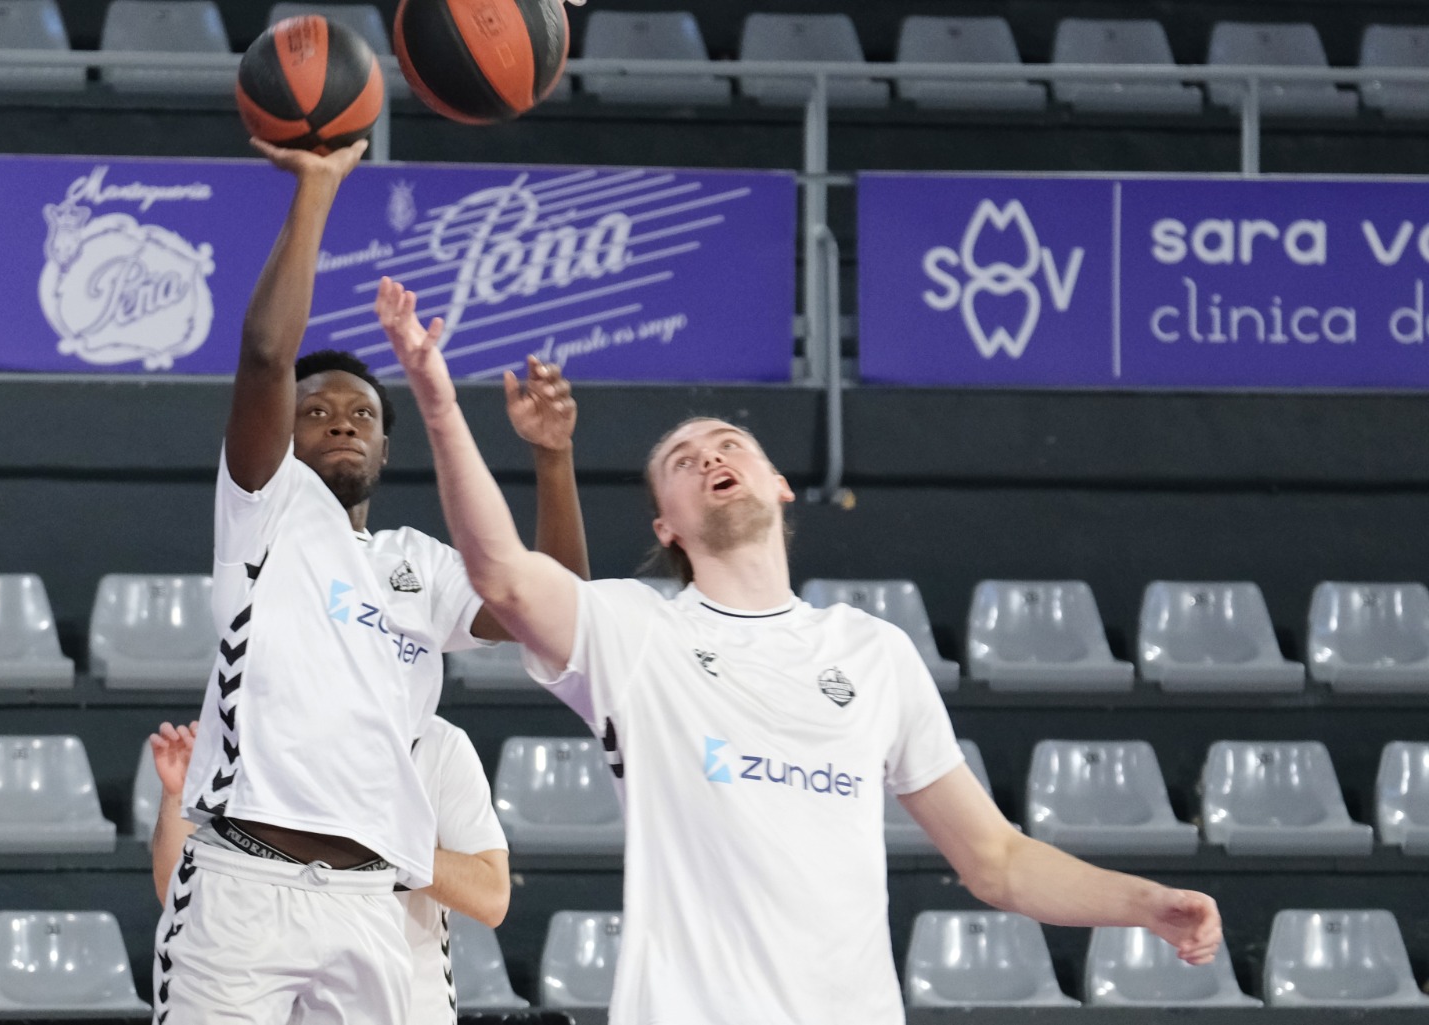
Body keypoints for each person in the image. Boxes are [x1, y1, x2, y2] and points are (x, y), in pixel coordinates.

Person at [374, 276, 1226, 1025]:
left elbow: (996, 860)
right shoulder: (636, 632)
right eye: (684, 459)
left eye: (730, 444)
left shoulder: (874, 652)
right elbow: (504, 575)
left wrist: (1144, 902)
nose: (711, 456)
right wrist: (441, 406)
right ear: (666, 525)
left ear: (779, 484)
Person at [150, 138, 585, 1025]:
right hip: (244, 881)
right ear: (284, 432)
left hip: (371, 898)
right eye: (315, 410)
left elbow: (556, 608)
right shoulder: (263, 511)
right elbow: (266, 354)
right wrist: (317, 188)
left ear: (385, 448)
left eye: (361, 414)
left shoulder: (419, 563)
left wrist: (552, 458)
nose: (340, 421)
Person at [148, 717, 507, 1025]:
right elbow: (177, 896)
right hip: (266, 1006)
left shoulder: (438, 743)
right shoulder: (255, 732)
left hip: (408, 1010)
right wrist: (178, 797)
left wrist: (383, 843)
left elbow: (491, 897)